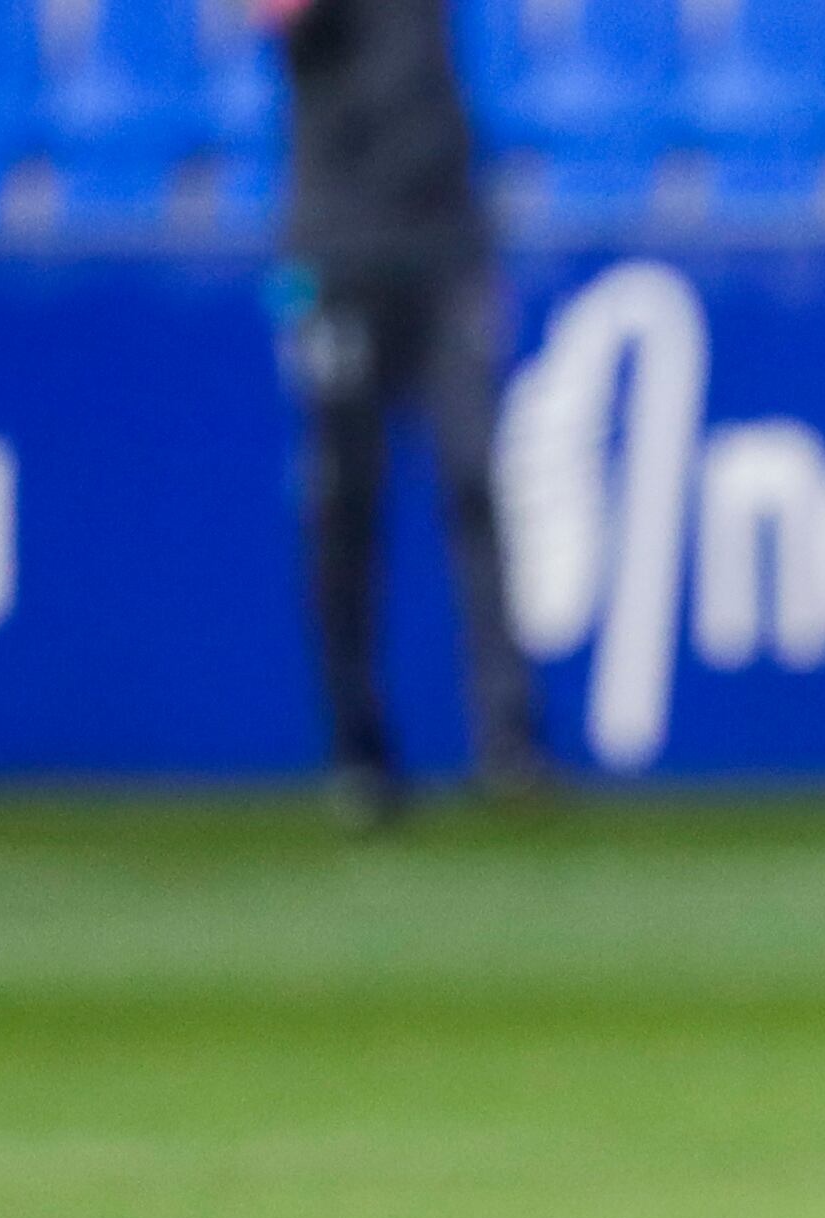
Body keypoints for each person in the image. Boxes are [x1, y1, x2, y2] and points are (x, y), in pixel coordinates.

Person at [264, 0, 548, 828]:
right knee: (343, 501)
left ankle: (508, 742)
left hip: (444, 240)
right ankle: (357, 748)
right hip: (338, 246)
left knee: (475, 482)